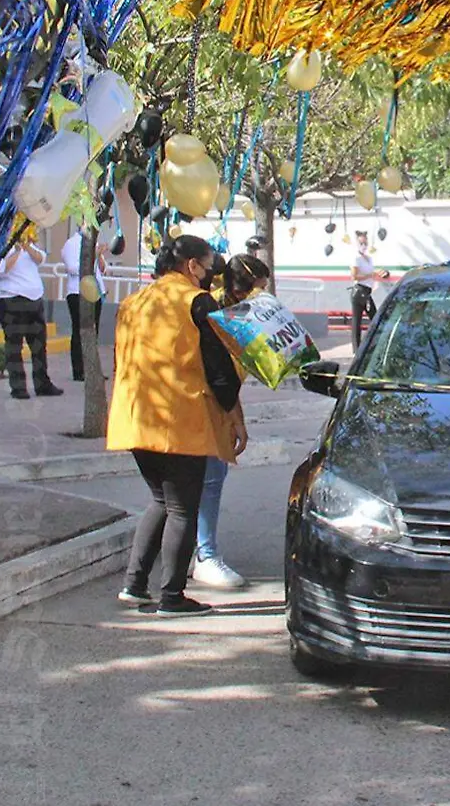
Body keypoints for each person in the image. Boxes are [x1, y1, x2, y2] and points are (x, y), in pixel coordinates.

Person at [109, 236, 244, 616]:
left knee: (160, 501)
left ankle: (135, 585)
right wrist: (232, 413)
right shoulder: (196, 303)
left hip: (136, 417)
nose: (209, 275)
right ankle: (172, 596)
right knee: (184, 508)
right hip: (179, 417)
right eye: (206, 266)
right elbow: (218, 368)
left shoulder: (133, 302)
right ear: (191, 266)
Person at [193, 253, 270, 590]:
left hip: (219, 405)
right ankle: (204, 555)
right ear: (240, 288)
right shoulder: (213, 315)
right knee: (208, 479)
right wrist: (234, 416)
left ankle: (192, 552)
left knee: (207, 479)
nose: (262, 296)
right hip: (204, 406)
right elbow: (219, 374)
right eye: (258, 289)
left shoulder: (237, 316)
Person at [0, 223, 61, 400]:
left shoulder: (28, 244)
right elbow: (1, 269)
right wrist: (15, 250)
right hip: (9, 298)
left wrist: (26, 246)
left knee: (39, 345)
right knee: (14, 345)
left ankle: (42, 384)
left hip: (34, 298)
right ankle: (18, 388)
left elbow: (40, 259)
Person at [61, 229, 107, 382]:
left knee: (94, 331)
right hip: (77, 292)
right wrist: (93, 256)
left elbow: (102, 269)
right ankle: (79, 370)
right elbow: (73, 269)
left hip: (95, 291)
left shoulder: (94, 243)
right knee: (79, 331)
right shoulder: (71, 244)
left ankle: (93, 370)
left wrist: (99, 255)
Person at [349, 230, 386, 349]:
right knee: (360, 320)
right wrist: (370, 275)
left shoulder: (369, 258)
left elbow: (371, 273)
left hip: (367, 290)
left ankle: (373, 344)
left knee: (374, 318)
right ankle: (357, 348)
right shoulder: (355, 258)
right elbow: (354, 276)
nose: (363, 246)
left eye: (365, 243)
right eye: (361, 243)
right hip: (359, 291)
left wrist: (376, 274)